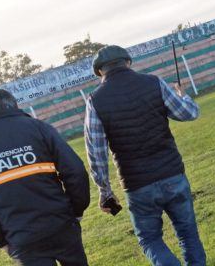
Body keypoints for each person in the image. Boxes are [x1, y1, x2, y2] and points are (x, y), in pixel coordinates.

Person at [84, 45, 206, 266]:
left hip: (137, 184)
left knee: (150, 240)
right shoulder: (154, 82)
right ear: (128, 62)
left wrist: (105, 191)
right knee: (188, 234)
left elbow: (97, 154)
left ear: (100, 71)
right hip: (172, 174)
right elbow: (189, 113)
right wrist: (183, 95)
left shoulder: (95, 100)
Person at [0, 89, 90, 266]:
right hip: (60, 223)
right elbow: (75, 171)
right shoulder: (39, 128)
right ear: (15, 105)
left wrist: (0, 240)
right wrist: (76, 211)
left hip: (20, 237)